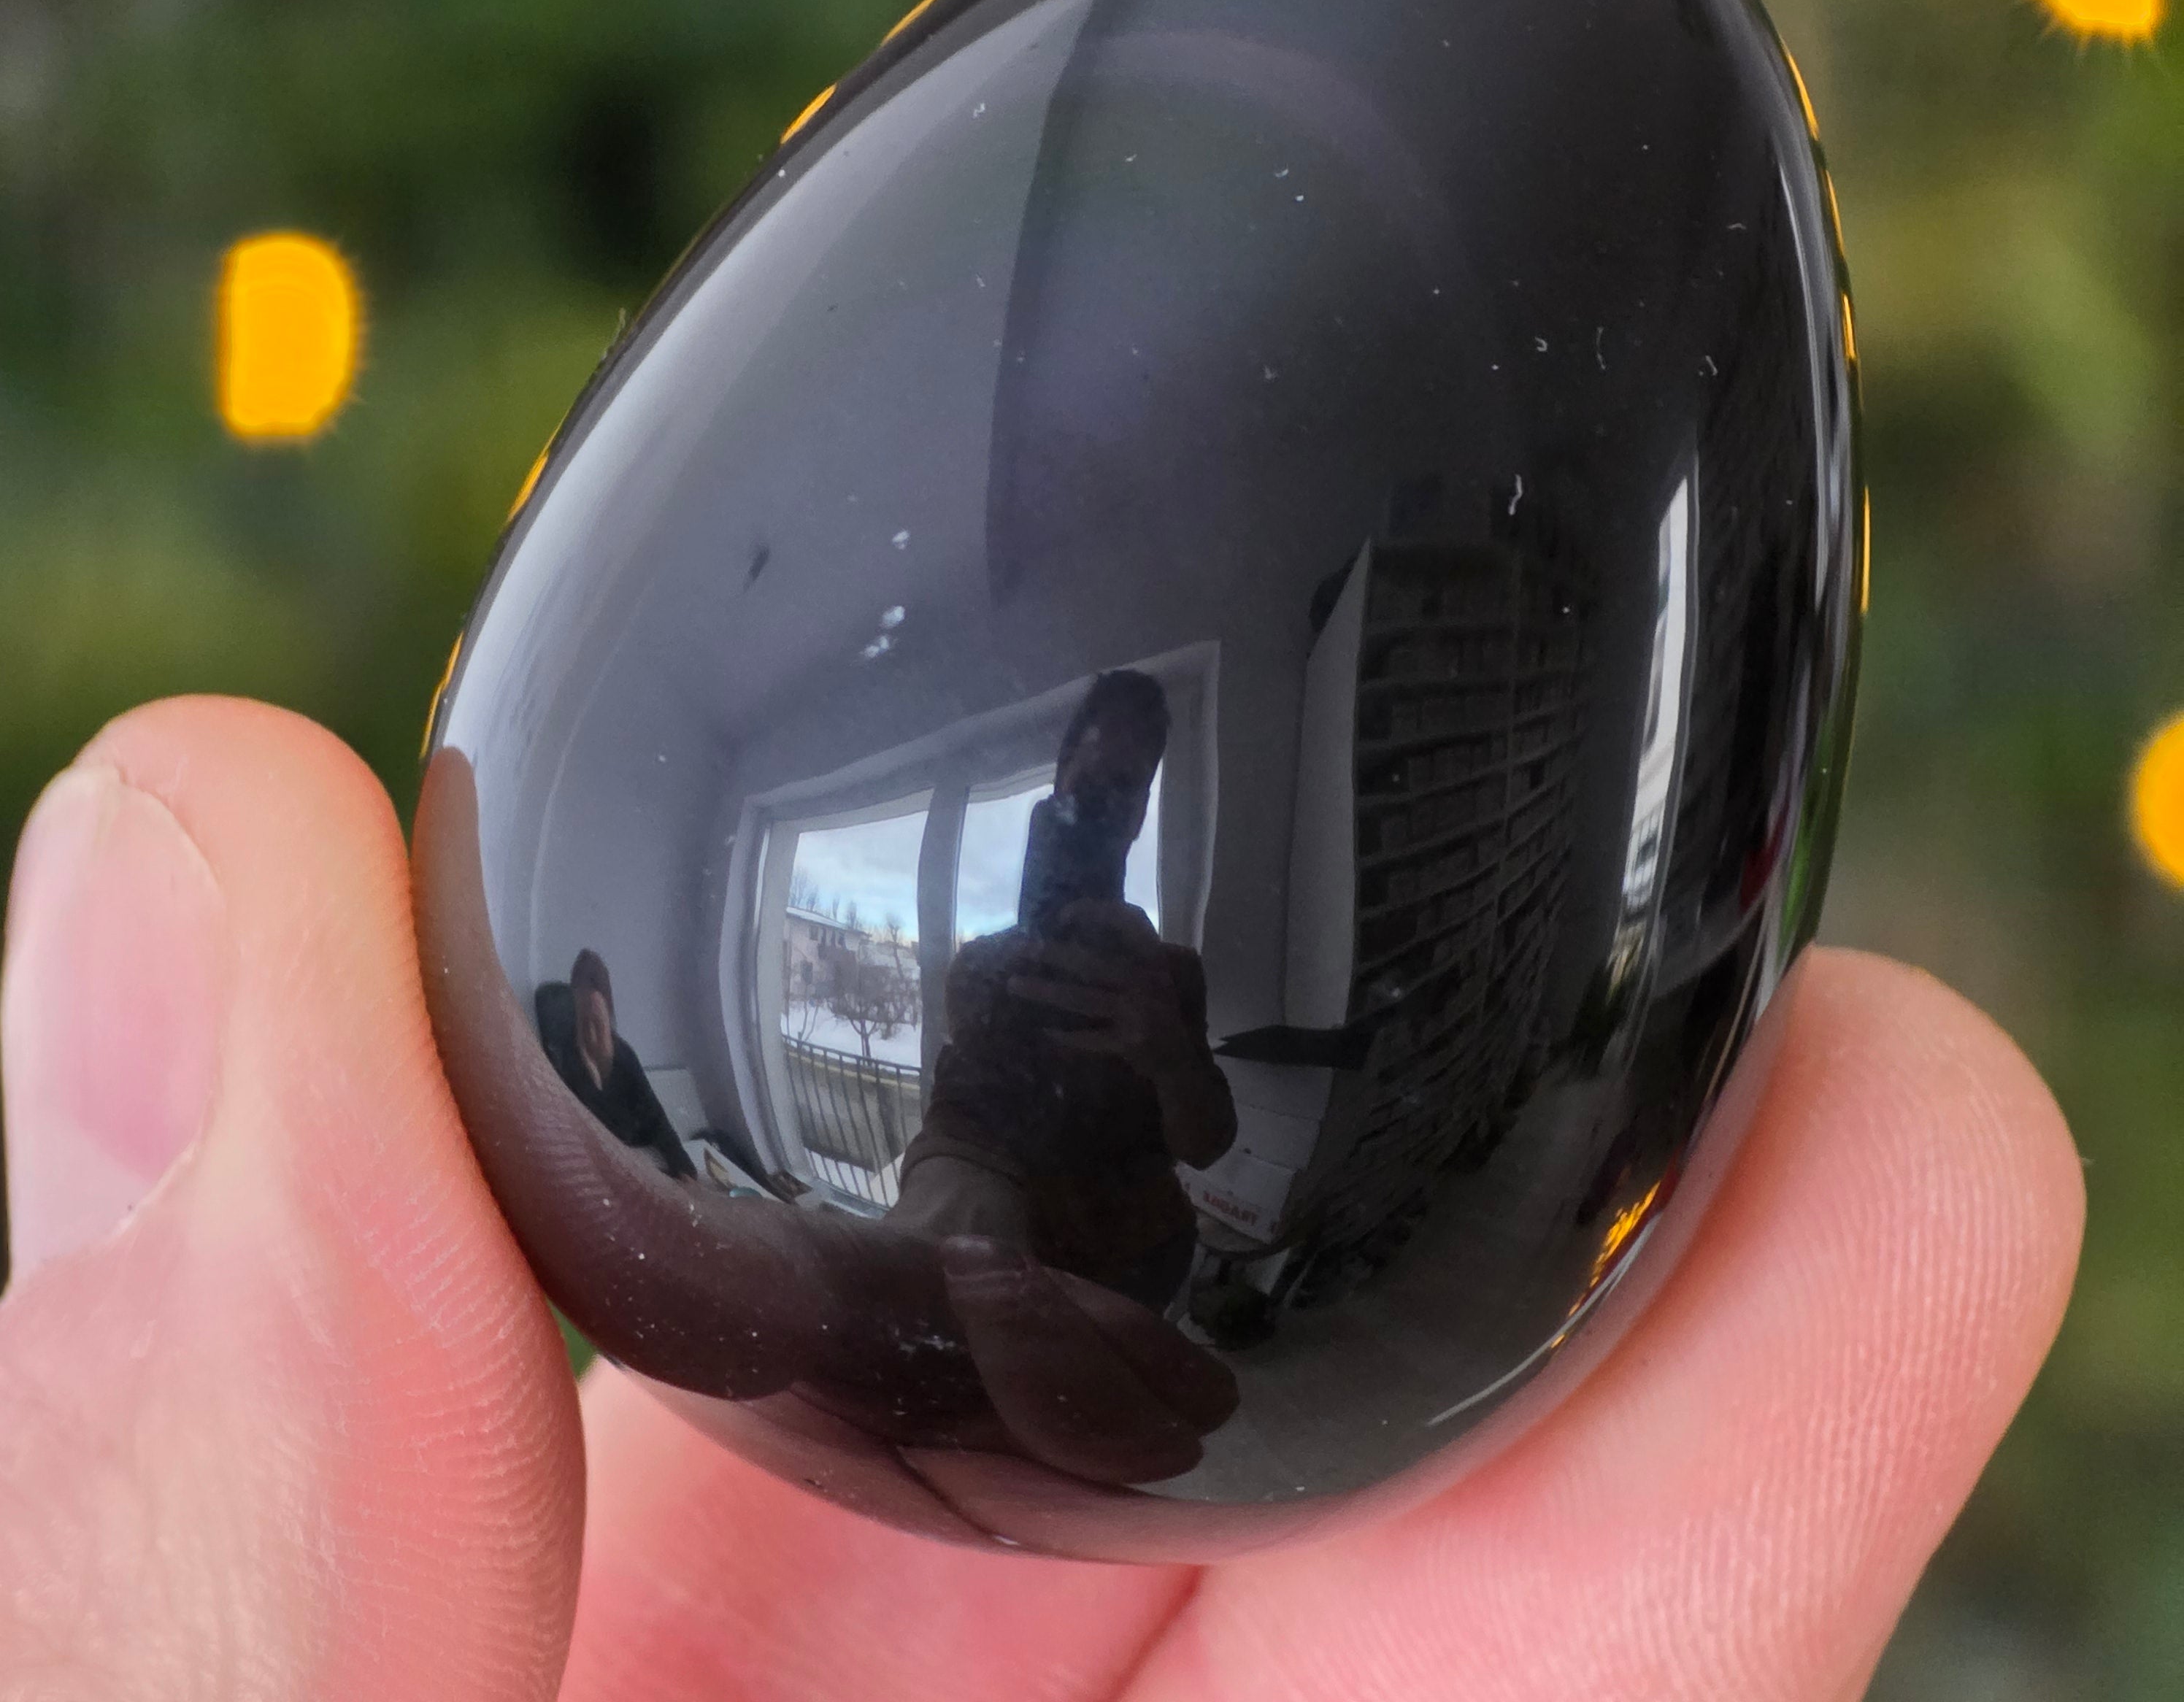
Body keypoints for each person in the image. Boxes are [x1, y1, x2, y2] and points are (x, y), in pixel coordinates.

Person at [0, 698, 2085, 1698]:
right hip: (994, 1249)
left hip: (1149, 1272)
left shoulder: (1154, 962)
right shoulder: (994, 959)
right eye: (1084, 778)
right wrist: (967, 1196)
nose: (1095, 806)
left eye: (1119, 783)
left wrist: (1162, 1047)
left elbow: (1203, 1131)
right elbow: (931, 1136)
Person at [893, 670, 1237, 1310]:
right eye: (1093, 782)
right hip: (1011, 1251)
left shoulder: (1171, 975)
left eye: (1128, 788)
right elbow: (961, 1129)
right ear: (1060, 782)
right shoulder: (980, 967)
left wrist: (1170, 1058)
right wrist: (938, 1235)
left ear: (1142, 814)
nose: (1108, 805)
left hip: (1137, 1264)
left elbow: (1208, 1146)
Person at [536, 950, 696, 1181]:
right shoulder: (563, 1056)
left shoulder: (624, 1056)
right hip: (600, 1163)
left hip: (638, 1156)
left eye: (598, 1022)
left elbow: (656, 1117)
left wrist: (685, 1169)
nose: (592, 1032)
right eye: (585, 1019)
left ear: (608, 1009)